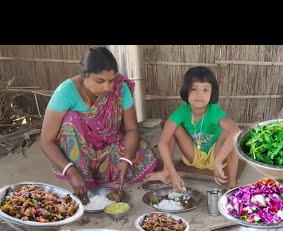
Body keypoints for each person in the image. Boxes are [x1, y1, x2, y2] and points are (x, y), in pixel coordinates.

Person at [40, 47, 158, 199]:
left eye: (111, 81)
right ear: (84, 74)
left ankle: (110, 175)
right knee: (71, 120)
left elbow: (131, 129)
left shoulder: (120, 87)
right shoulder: (66, 92)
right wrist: (71, 171)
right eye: (100, 81)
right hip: (82, 152)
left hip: (111, 146)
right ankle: (82, 176)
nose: (107, 88)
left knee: (141, 149)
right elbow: (46, 141)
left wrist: (125, 160)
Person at [145, 66, 240, 192]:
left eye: (205, 90)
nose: (199, 95)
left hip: (216, 155)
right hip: (193, 155)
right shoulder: (182, 111)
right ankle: (166, 172)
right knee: (172, 128)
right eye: (194, 89)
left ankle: (231, 185)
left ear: (212, 93)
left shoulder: (213, 110)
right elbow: (162, 142)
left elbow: (236, 131)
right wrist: (173, 174)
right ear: (186, 91)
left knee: (230, 134)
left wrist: (218, 160)